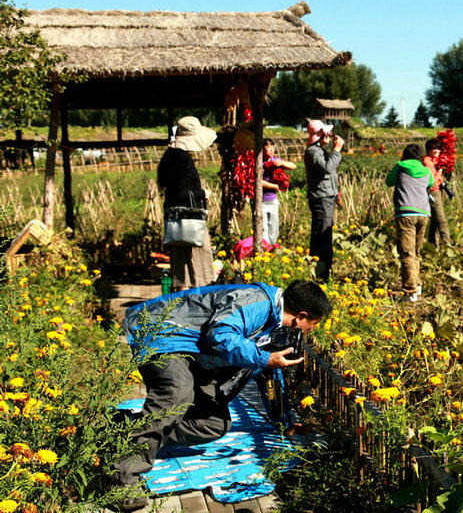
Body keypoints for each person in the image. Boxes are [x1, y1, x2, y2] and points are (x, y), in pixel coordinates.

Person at [111, 280, 332, 510]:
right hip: (165, 336)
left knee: (214, 423)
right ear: (300, 317)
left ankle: (127, 431)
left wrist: (284, 421)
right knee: (177, 395)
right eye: (312, 325)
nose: (309, 332)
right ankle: (120, 480)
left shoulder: (275, 324)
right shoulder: (257, 303)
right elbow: (221, 336)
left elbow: (271, 377)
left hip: (192, 353)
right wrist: (264, 358)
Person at [157, 116, 217, 291]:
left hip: (175, 222)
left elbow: (173, 191)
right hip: (191, 222)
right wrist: (203, 193)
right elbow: (184, 193)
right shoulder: (184, 161)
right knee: (199, 266)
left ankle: (181, 305)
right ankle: (199, 304)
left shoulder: (169, 157)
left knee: (181, 270)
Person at [385, 144, 433, 302]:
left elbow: (389, 181)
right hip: (424, 213)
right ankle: (417, 285)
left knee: (406, 253)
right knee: (417, 251)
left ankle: (410, 291)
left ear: (404, 155)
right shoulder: (426, 170)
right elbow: (431, 185)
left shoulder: (400, 166)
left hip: (405, 213)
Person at [303, 119, 344, 280]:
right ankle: (323, 274)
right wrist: (337, 149)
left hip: (327, 196)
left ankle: (319, 272)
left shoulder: (318, 150)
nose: (329, 135)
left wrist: (336, 192)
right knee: (323, 236)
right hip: (321, 198)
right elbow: (327, 168)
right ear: (319, 135)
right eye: (325, 132)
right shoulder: (313, 151)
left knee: (321, 235)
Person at [260, 138, 297, 245]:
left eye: (272, 146)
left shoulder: (274, 161)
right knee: (263, 229)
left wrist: (281, 162)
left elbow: (293, 166)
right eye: (268, 146)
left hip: (272, 200)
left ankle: (271, 248)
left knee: (273, 228)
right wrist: (275, 186)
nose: (271, 149)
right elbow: (257, 181)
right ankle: (264, 250)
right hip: (260, 202)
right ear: (262, 148)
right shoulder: (258, 163)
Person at [423, 138, 452, 247]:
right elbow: (433, 182)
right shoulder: (428, 162)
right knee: (441, 220)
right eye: (433, 148)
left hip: (438, 191)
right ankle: (448, 245)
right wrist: (440, 170)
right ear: (428, 150)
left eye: (438, 148)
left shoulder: (435, 160)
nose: (436, 151)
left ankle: (432, 245)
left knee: (435, 221)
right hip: (433, 192)